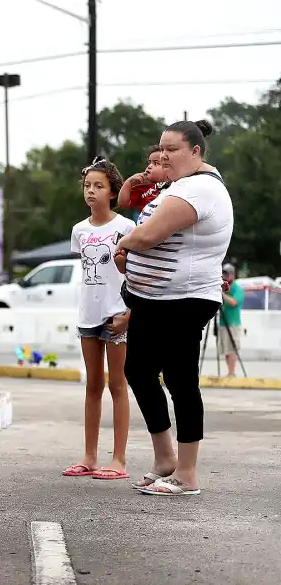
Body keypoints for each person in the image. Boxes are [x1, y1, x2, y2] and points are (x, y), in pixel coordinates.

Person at [114, 120, 233, 497]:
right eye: (161, 148)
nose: (164, 155)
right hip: (155, 300)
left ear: (195, 151)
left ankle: (187, 474)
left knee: (181, 380)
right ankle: (165, 459)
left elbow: (149, 235)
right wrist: (129, 255)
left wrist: (125, 243)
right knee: (139, 370)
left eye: (173, 149)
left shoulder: (201, 188)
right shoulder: (179, 186)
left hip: (184, 301)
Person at [63, 157, 135, 481]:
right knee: (93, 384)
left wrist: (129, 315)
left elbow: (135, 274)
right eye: (87, 186)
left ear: (112, 191)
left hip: (116, 313)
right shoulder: (78, 231)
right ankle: (89, 457)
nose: (91, 191)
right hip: (87, 314)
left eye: (98, 186)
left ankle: (119, 459)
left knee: (118, 385)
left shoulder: (126, 228)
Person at [117, 145, 170, 218]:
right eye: (149, 162)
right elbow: (123, 203)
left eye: (156, 163)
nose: (149, 166)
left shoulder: (175, 186)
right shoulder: (144, 189)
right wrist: (128, 183)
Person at [218, 263, 244, 377]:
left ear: (233, 275)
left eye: (227, 274)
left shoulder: (237, 289)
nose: (225, 277)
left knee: (232, 348)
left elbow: (234, 302)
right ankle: (229, 372)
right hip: (223, 322)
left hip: (233, 323)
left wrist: (222, 294)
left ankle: (232, 373)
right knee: (226, 349)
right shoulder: (224, 287)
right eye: (224, 274)